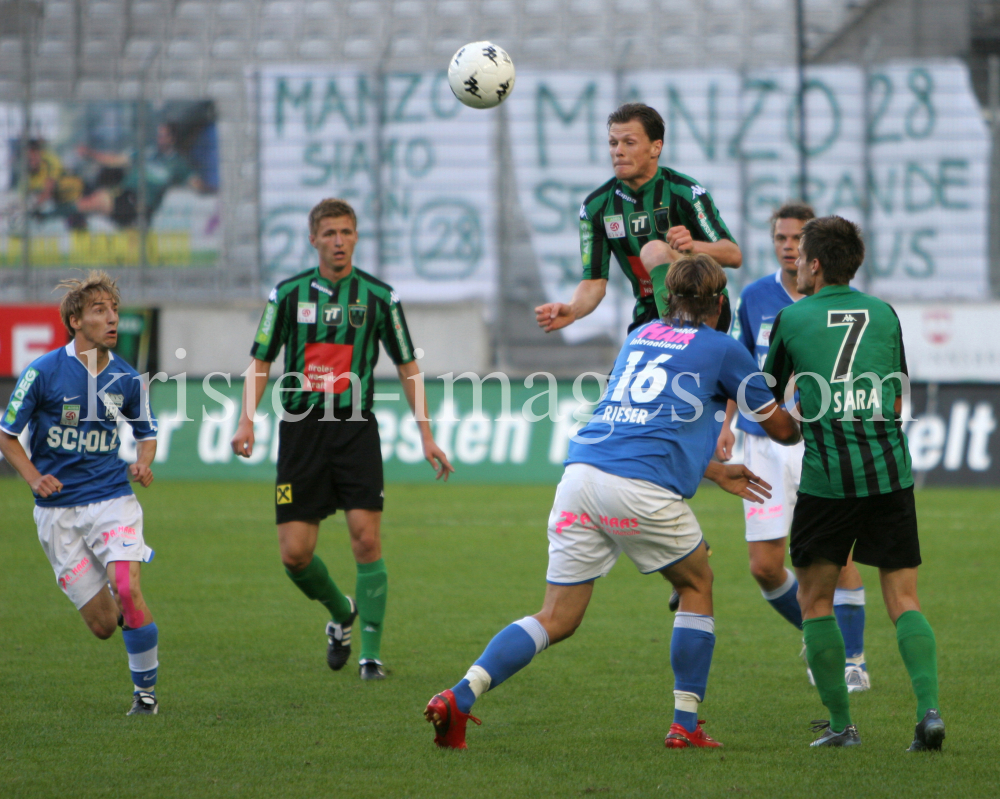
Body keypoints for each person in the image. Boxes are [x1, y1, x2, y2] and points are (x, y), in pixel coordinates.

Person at [426, 254, 801, 750]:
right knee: (697, 583)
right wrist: (808, 415)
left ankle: (460, 694)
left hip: (581, 475)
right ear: (718, 302)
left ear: (668, 300)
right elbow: (780, 429)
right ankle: (684, 725)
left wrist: (711, 471)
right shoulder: (722, 347)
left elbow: (639, 420)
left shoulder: (640, 334)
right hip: (639, 487)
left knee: (555, 617)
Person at [232, 198, 454, 681]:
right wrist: (245, 419)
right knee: (295, 554)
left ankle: (371, 656)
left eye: (347, 232)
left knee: (366, 539)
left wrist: (427, 436)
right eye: (330, 233)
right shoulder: (286, 295)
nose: (339, 241)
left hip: (355, 430)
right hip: (301, 432)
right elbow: (263, 361)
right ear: (313, 239)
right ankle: (340, 611)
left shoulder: (380, 297)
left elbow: (407, 366)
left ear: (356, 237)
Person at [763, 215, 943, 750]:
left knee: (815, 601)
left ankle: (843, 726)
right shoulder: (885, 314)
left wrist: (794, 428)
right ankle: (928, 711)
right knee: (905, 599)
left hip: (827, 484)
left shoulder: (792, 319)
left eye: (799, 257)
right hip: (891, 475)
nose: (793, 263)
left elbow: (769, 400)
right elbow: (895, 398)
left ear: (816, 264)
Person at [716, 203, 870, 691]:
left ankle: (853, 662)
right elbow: (736, 363)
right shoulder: (755, 296)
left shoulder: (837, 301)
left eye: (797, 238)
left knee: (837, 557)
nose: (788, 245)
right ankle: (820, 638)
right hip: (761, 442)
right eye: (780, 237)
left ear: (815, 249)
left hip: (818, 441)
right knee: (764, 566)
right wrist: (726, 422)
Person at [0, 271, 161, 716]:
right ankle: (127, 620)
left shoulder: (128, 379)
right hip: (57, 513)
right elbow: (7, 435)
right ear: (75, 321)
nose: (112, 318)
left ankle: (145, 695)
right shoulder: (43, 372)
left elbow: (147, 432)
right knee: (105, 625)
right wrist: (34, 478)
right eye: (99, 311)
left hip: (112, 497)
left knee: (127, 587)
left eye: (114, 309)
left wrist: (144, 460)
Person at [535, 102, 741, 337]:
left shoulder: (685, 193)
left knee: (654, 251)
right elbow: (594, 282)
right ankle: (668, 334)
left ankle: (676, 335)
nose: (618, 151)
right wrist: (573, 310)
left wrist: (693, 247)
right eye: (613, 143)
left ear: (656, 148)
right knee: (620, 375)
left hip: (703, 308)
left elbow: (733, 255)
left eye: (629, 143)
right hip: (649, 310)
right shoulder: (597, 207)